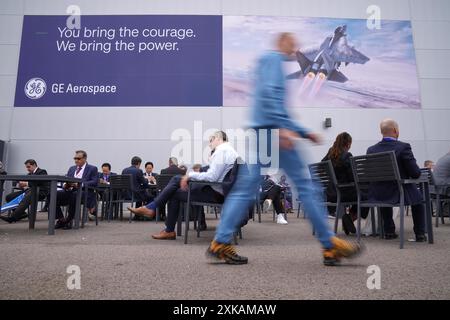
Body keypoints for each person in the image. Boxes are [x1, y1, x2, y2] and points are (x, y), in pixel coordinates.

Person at [206, 33, 363, 266]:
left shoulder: (269, 62)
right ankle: (330, 245)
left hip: (264, 131)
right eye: (292, 42)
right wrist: (282, 128)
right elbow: (270, 95)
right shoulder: (272, 60)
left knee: (244, 189)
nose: (296, 46)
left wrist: (302, 131)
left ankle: (220, 241)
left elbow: (271, 99)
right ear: (281, 42)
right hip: (274, 132)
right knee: (307, 186)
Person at [128, 131, 237, 239]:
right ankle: (153, 211)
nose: (209, 144)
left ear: (218, 138)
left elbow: (212, 177)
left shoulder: (222, 151)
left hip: (216, 194)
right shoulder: (230, 151)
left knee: (174, 189)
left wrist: (190, 175)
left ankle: (159, 217)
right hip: (222, 193)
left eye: (211, 140)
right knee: (175, 184)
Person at [367, 119, 426, 242]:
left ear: (382, 132)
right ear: (395, 130)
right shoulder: (403, 147)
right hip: (398, 191)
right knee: (418, 199)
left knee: (385, 190)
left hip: (378, 193)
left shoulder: (371, 150)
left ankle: (389, 231)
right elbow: (415, 173)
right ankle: (420, 233)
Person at [322, 132, 369, 235]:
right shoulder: (347, 155)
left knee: (361, 193)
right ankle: (351, 217)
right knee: (368, 195)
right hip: (343, 193)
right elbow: (353, 178)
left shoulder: (329, 155)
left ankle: (349, 217)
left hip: (331, 193)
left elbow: (321, 168)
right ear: (348, 144)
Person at [55, 151, 98, 230]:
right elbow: (66, 179)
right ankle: (61, 220)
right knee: (52, 194)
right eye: (75, 158)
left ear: (84, 158)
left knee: (74, 196)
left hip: (84, 192)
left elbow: (95, 182)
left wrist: (80, 184)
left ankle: (69, 220)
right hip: (70, 190)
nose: (76, 160)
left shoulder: (92, 168)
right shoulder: (72, 168)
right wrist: (65, 184)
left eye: (78, 158)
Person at [0, 159, 48, 223]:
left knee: (27, 196)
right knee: (9, 197)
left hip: (40, 192)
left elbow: (39, 181)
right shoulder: (29, 174)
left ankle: (13, 217)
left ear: (34, 165)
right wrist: (21, 185)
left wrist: (26, 183)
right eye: (26, 167)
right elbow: (26, 183)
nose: (27, 169)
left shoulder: (42, 171)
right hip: (28, 191)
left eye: (28, 167)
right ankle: (22, 214)